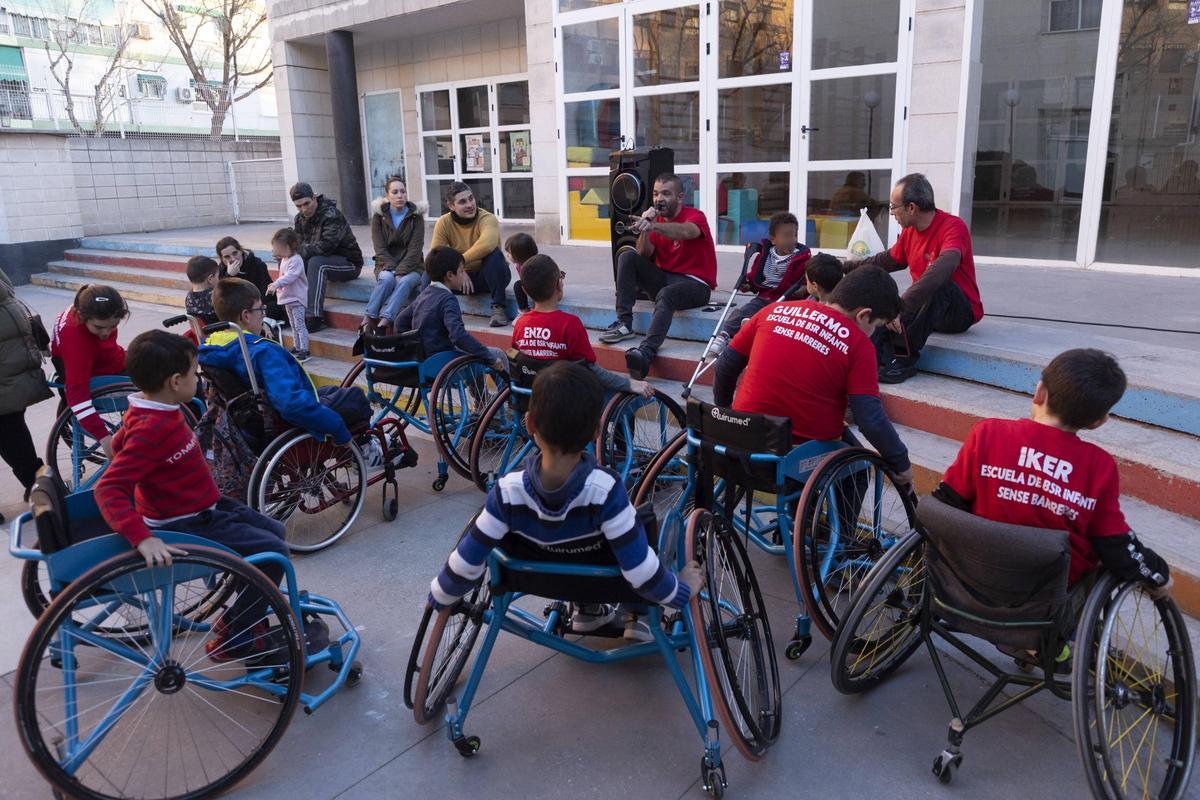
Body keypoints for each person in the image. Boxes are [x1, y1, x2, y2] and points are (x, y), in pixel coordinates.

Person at [427, 361, 702, 641]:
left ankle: (587, 610)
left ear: (530, 423)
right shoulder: (606, 489)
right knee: (645, 526)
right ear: (597, 430)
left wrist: (442, 594)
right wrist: (681, 590)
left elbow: (466, 559)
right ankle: (638, 616)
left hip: (538, 579)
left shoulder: (506, 491)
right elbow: (640, 572)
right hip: (603, 580)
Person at [94, 329, 295, 662]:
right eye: (193, 374)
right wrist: (142, 538)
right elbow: (109, 486)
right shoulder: (151, 427)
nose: (197, 380)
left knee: (275, 533)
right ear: (175, 381)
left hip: (204, 504)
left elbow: (118, 448)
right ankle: (239, 634)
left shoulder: (148, 408)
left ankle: (240, 614)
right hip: (188, 521)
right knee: (274, 554)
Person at [935, 349, 1171, 598]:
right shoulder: (1098, 466)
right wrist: (1157, 572)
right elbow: (1113, 541)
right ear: (1098, 422)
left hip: (969, 577)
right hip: (1046, 596)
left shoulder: (988, 433)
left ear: (1039, 392)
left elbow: (947, 499)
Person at [712, 265, 913, 489]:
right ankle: (821, 525)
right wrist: (901, 462)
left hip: (740, 442)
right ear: (863, 315)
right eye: (876, 326)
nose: (874, 333)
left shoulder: (772, 311)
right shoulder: (859, 344)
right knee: (857, 474)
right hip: (794, 459)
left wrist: (725, 415)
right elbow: (870, 418)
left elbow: (725, 366)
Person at [844, 173, 984, 384]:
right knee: (881, 292)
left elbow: (945, 266)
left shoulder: (953, 227)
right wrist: (844, 267)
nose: (891, 213)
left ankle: (903, 361)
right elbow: (886, 261)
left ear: (911, 207)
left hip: (958, 312)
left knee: (936, 285)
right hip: (927, 309)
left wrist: (902, 307)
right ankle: (872, 356)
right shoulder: (910, 233)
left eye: (893, 207)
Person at [200, 278, 352, 447]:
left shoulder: (213, 345)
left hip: (249, 417)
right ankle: (366, 447)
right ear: (246, 315)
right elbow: (290, 402)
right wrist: (337, 427)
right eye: (261, 309)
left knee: (332, 390)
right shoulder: (262, 352)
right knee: (353, 397)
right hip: (281, 420)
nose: (264, 314)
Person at [600, 173, 718, 381]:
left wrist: (654, 225)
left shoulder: (695, 216)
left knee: (667, 294)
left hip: (696, 284)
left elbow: (685, 232)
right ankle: (624, 323)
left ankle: (645, 354)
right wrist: (646, 226)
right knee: (627, 257)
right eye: (655, 194)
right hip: (665, 279)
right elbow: (643, 253)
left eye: (666, 194)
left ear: (680, 197)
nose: (658, 199)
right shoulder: (656, 222)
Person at [512, 254, 652, 396]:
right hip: (569, 401)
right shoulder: (569, 324)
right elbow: (590, 370)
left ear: (525, 291)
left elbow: (517, 360)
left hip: (533, 398)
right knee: (620, 397)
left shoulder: (520, 324)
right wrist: (629, 383)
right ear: (558, 286)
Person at [709, 211, 811, 358]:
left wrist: (801, 291)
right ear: (773, 239)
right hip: (764, 297)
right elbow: (755, 277)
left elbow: (807, 281)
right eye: (786, 236)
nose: (791, 240)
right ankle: (724, 335)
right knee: (741, 312)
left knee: (768, 317)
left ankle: (752, 330)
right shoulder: (765, 254)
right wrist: (748, 284)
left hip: (786, 301)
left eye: (794, 235)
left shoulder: (801, 258)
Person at [394, 247, 507, 374]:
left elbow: (400, 322)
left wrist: (413, 347)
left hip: (423, 360)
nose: (465, 275)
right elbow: (458, 336)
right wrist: (489, 357)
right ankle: (510, 393)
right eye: (462, 271)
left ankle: (480, 392)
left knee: (471, 350)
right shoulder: (448, 299)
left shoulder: (423, 295)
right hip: (443, 362)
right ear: (450, 275)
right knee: (497, 354)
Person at [50, 284, 128, 457]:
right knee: (169, 380)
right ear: (81, 316)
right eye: (99, 327)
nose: (106, 333)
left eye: (113, 325)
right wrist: (105, 438)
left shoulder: (87, 299)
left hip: (107, 361)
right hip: (103, 374)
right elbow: (77, 397)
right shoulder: (76, 340)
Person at [0, 267, 52, 521]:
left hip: (8, 376)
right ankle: (38, 485)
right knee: (13, 434)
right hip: (9, 374)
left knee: (13, 434)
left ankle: (38, 486)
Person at [430, 181, 511, 328]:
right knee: (429, 270)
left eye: (471, 198)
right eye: (462, 202)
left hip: (488, 278)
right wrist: (459, 273)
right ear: (451, 206)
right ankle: (428, 310)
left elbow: (487, 244)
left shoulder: (487, 218)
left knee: (494, 255)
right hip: (459, 281)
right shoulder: (443, 222)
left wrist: (460, 266)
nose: (470, 204)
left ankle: (498, 309)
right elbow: (437, 255)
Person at [290, 182, 363, 332]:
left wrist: (298, 250)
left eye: (306, 203)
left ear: (314, 198)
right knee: (289, 259)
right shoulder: (299, 219)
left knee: (317, 262)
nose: (304, 209)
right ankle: (290, 307)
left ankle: (314, 316)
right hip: (322, 262)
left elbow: (326, 247)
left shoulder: (331, 215)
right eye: (299, 206)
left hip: (349, 263)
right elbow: (297, 245)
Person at [362, 175, 426, 334]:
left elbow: (415, 250)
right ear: (387, 195)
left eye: (403, 192)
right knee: (386, 279)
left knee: (404, 282)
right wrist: (393, 270)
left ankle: (384, 322)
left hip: (413, 266)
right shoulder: (379, 217)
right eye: (395, 192)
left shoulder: (416, 217)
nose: (400, 196)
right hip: (385, 264)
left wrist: (401, 271)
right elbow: (380, 248)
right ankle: (369, 318)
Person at [266, 228, 310, 363]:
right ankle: (297, 346)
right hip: (287, 299)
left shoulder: (296, 260)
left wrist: (276, 284)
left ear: (291, 245)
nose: (277, 250)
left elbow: (290, 277)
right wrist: (275, 285)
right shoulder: (284, 259)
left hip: (296, 298)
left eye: (280, 247)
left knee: (300, 325)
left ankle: (305, 349)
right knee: (292, 324)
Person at [215, 235, 281, 321]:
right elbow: (221, 297)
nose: (233, 258)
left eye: (235, 253)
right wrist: (229, 276)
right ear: (222, 259)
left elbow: (265, 293)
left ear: (241, 251)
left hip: (257, 304)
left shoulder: (257, 264)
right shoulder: (222, 269)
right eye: (227, 257)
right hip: (237, 308)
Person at [504, 231, 539, 313]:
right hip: (530, 285)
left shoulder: (535, 265)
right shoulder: (519, 264)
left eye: (510, 253)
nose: (507, 255)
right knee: (518, 285)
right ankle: (523, 311)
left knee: (521, 285)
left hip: (542, 286)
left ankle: (537, 311)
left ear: (520, 254)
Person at [184, 256, 220, 327]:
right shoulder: (216, 296)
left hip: (201, 335)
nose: (219, 279)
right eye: (218, 276)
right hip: (221, 335)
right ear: (210, 278)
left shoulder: (189, 297)